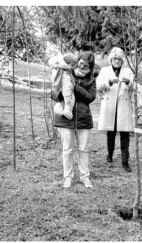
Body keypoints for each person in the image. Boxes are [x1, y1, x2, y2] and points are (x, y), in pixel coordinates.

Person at [51, 51, 96, 188]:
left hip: (83, 118)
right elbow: (53, 94)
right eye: (81, 62)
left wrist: (74, 86)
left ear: (90, 66)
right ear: (78, 60)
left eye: (86, 64)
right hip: (66, 117)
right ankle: (68, 177)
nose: (82, 65)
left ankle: (84, 177)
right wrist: (64, 90)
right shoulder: (64, 72)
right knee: (67, 150)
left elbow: (90, 97)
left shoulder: (91, 79)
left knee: (83, 149)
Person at [96, 47, 134, 172]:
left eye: (119, 59)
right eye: (115, 59)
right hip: (110, 105)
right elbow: (98, 86)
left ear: (122, 60)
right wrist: (109, 82)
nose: (117, 61)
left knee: (125, 133)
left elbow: (135, 86)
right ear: (111, 60)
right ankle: (109, 155)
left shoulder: (128, 71)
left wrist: (129, 82)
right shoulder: (104, 70)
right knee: (110, 132)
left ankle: (125, 161)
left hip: (123, 105)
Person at [49, 53, 78, 120]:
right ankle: (67, 110)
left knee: (61, 102)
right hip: (66, 92)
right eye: (72, 66)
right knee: (71, 100)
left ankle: (58, 109)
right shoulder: (65, 73)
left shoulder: (57, 69)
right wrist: (68, 100)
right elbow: (67, 86)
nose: (73, 68)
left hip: (57, 90)